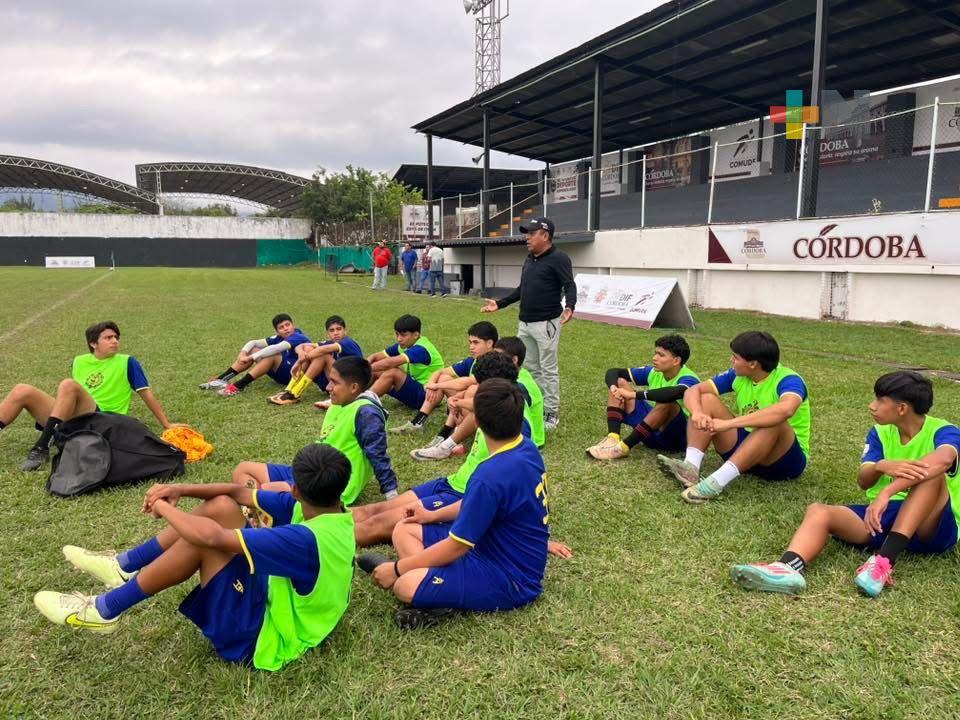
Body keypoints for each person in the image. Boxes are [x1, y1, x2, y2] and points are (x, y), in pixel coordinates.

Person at [33, 443, 356, 671]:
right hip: (286, 601)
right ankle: (122, 566)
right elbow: (237, 493)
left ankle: (105, 610)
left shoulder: (303, 538)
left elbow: (209, 537)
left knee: (201, 541)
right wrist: (182, 489)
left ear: (295, 489)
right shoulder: (329, 515)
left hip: (264, 639)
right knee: (220, 508)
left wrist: (161, 507)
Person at [731, 371, 960, 598]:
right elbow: (863, 480)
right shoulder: (880, 432)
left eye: (880, 401)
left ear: (902, 409)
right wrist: (881, 465)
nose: (872, 406)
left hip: (933, 526)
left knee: (931, 477)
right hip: (882, 517)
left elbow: (943, 460)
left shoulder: (944, 431)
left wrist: (887, 492)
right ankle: (787, 568)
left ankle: (883, 562)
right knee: (819, 511)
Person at [357, 379, 552, 629]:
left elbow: (457, 546)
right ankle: (434, 588)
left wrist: (396, 568)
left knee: (405, 585)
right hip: (488, 546)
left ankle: (428, 590)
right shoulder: (525, 446)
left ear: (477, 423)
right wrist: (429, 515)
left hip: (512, 577)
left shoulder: (490, 474)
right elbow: (478, 505)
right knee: (404, 527)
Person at [353, 350, 538, 546]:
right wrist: (452, 398)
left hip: (464, 496)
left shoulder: (516, 424)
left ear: (491, 387)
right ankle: (321, 520)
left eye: (478, 386)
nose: (474, 389)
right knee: (372, 510)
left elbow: (520, 485)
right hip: (451, 483)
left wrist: (532, 536)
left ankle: (322, 540)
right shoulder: (497, 406)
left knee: (375, 524)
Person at [0, 320, 182, 471]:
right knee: (22, 390)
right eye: (108, 338)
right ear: (93, 343)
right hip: (75, 417)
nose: (115, 341)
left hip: (103, 420)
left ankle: (41, 447)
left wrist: (166, 424)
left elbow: (146, 393)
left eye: (116, 337)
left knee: (68, 385)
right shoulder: (79, 361)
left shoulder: (128, 362)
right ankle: (56, 432)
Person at [658, 331, 811, 504]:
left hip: (783, 462)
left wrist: (728, 424)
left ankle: (715, 484)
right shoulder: (738, 375)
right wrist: (698, 412)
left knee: (775, 421)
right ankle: (690, 468)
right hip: (747, 451)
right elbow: (694, 390)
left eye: (735, 357)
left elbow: (785, 410)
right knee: (706, 399)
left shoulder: (789, 379)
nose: (732, 361)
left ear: (753, 364)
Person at [232, 356, 399, 504]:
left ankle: (265, 509)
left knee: (266, 489)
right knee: (243, 469)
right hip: (311, 471)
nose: (328, 387)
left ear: (354, 388)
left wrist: (392, 496)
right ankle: (261, 510)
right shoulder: (339, 402)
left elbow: (378, 455)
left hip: (329, 486)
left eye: (334, 382)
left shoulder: (366, 413)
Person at [481, 216, 576, 431]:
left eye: (532, 233)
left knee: (548, 368)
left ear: (545, 235)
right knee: (529, 367)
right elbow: (521, 290)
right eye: (527, 233)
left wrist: (570, 305)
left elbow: (570, 285)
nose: (527, 238)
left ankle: (551, 412)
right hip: (525, 322)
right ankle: (536, 402)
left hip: (546, 323)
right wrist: (500, 303)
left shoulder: (560, 258)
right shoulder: (530, 258)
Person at [410, 336, 545, 459]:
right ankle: (449, 440)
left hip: (524, 443)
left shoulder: (521, 384)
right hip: (508, 434)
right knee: (474, 394)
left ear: (514, 360)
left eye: (498, 356)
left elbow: (492, 404)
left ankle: (446, 445)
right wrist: (456, 398)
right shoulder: (501, 374)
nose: (494, 359)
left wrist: (459, 402)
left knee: (479, 408)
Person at [586, 334, 700, 461]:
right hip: (651, 432)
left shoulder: (690, 378)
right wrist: (614, 388)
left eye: (661, 355)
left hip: (676, 440)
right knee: (619, 382)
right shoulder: (653, 372)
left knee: (668, 402)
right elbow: (613, 372)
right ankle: (612, 438)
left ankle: (623, 448)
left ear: (676, 361)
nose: (654, 358)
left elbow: (673, 393)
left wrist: (634, 394)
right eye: (655, 353)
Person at [390, 321, 498, 435]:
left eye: (476, 343)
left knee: (470, 390)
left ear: (489, 343)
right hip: (471, 406)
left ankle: (448, 436)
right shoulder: (472, 361)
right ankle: (418, 422)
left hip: (486, 412)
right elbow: (440, 372)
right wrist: (432, 383)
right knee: (443, 378)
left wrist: (437, 386)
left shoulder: (496, 363)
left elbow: (468, 383)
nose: (471, 347)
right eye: (470, 342)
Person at [200, 314, 311, 398]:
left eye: (288, 325)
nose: (286, 328)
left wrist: (249, 358)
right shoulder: (279, 337)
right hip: (281, 371)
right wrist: (242, 353)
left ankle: (238, 386)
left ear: (293, 325)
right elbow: (253, 342)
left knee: (271, 354)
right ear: (277, 331)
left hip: (293, 376)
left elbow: (276, 348)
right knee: (254, 349)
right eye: (281, 327)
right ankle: (222, 380)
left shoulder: (298, 336)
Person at [267, 315, 363, 406]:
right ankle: (289, 390)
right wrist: (301, 353)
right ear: (327, 334)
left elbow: (324, 350)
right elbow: (302, 346)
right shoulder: (330, 342)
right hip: (334, 381)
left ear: (345, 330)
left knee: (322, 355)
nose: (336, 333)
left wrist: (299, 361)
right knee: (309, 349)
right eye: (332, 330)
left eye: (339, 329)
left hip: (350, 385)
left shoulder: (348, 342)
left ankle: (295, 394)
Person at [367, 315, 444, 412]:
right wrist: (364, 364)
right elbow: (375, 357)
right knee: (376, 368)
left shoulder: (422, 349)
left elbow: (390, 363)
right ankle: (355, 396)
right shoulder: (404, 345)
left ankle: (362, 402)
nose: (399, 339)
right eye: (397, 334)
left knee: (393, 372)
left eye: (403, 335)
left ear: (415, 335)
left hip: (427, 397)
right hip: (414, 390)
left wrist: (365, 368)